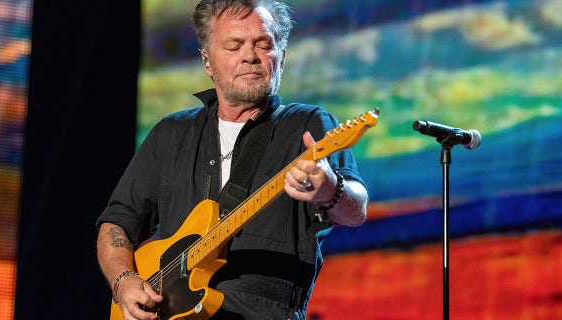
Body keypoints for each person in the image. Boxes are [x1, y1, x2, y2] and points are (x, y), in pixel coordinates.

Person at [95, 1, 369, 319]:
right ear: (207, 61)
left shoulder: (308, 125)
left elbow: (356, 211)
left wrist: (329, 187)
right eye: (234, 45)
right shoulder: (171, 133)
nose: (250, 56)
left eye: (263, 44)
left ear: (282, 56)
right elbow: (117, 223)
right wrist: (123, 281)